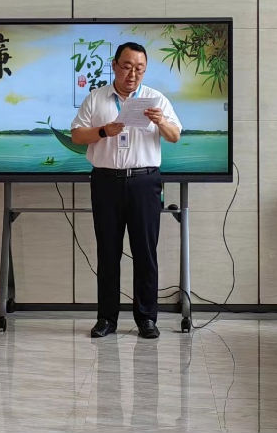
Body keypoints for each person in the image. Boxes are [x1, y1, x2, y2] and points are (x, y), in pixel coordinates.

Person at [71, 42, 182, 339]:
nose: (133, 74)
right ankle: (106, 318)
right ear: (115, 65)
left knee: (145, 252)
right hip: (106, 182)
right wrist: (103, 131)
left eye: (139, 69)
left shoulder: (156, 99)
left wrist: (161, 121)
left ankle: (146, 318)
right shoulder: (96, 98)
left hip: (145, 183)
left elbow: (175, 136)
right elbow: (77, 135)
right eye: (127, 66)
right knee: (108, 252)